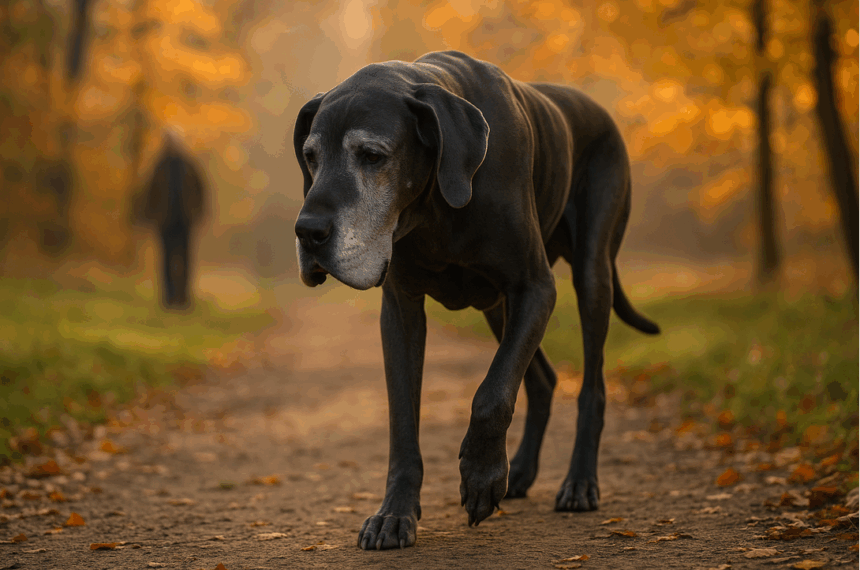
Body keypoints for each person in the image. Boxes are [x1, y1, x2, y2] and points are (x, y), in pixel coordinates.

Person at [142, 131, 206, 310]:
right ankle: (169, 297)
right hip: (165, 220)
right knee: (166, 258)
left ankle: (183, 297)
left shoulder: (189, 165)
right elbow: (150, 193)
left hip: (185, 219)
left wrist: (197, 212)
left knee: (185, 258)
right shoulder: (159, 166)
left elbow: (200, 190)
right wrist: (150, 215)